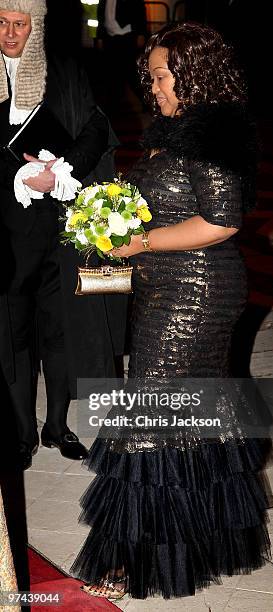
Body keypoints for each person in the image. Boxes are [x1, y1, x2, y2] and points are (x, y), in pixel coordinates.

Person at [71, 22, 272, 600]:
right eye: (152, 76)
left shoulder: (214, 132)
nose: (152, 86)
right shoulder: (177, 126)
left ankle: (135, 557)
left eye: (160, 76)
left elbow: (222, 221)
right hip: (164, 284)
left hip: (198, 291)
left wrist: (143, 243)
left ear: (193, 75)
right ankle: (198, 538)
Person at [0, 0, 126, 471]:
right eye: (2, 23)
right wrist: (16, 177)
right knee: (13, 331)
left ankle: (56, 424)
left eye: (20, 24)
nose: (11, 33)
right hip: (6, 231)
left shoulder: (64, 69)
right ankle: (20, 431)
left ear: (36, 27)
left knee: (58, 326)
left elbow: (95, 127)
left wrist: (63, 169)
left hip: (57, 222)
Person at [97, 0, 147, 109]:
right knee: (111, 73)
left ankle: (147, 101)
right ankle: (113, 104)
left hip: (127, 36)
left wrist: (141, 33)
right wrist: (100, 36)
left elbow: (140, 11)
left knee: (131, 72)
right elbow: (100, 15)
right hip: (109, 38)